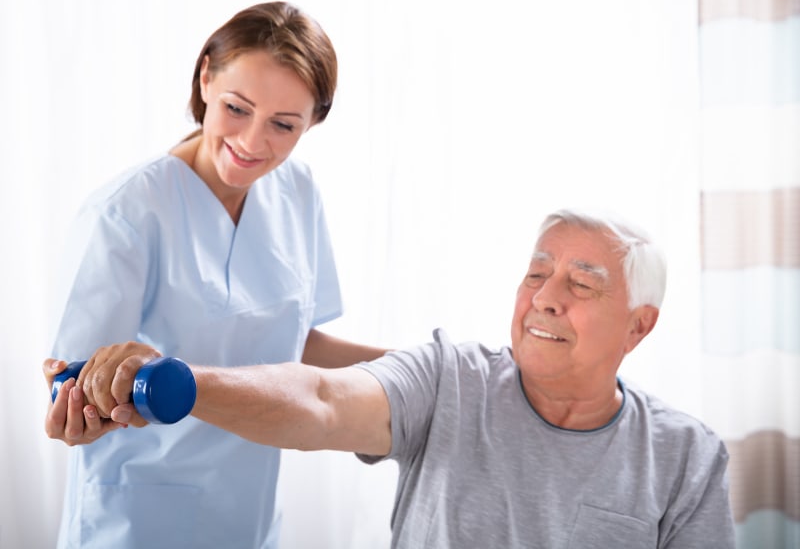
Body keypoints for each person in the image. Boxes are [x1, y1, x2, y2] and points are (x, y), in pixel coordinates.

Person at [46, 209, 737, 548]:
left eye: (581, 284)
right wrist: (178, 382)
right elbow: (318, 399)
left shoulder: (686, 456)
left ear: (639, 327)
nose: (546, 297)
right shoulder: (448, 377)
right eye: (536, 273)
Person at [43, 1, 386, 549]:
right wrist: (82, 407)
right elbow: (72, 386)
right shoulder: (127, 214)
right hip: (137, 515)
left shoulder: (297, 193)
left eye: (283, 124)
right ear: (206, 78)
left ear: (314, 120)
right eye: (236, 107)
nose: (252, 142)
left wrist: (415, 372)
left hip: (248, 512)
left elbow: (290, 341)